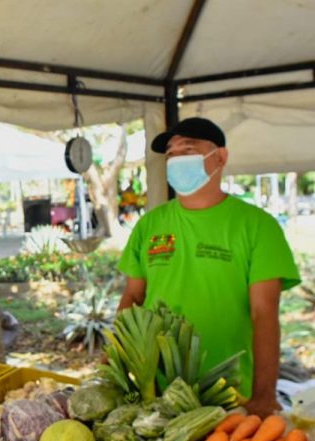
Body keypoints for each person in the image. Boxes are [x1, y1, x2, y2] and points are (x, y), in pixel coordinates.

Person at [118, 117, 300, 418]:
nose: (177, 160)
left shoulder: (257, 226)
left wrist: (264, 396)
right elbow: (133, 298)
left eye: (188, 150)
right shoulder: (150, 224)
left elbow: (264, 314)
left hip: (230, 394)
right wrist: (117, 366)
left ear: (220, 157)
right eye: (172, 154)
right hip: (157, 391)